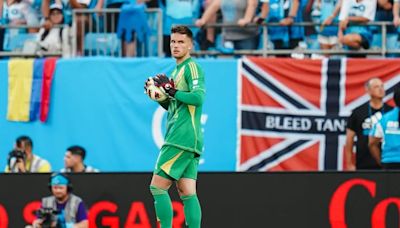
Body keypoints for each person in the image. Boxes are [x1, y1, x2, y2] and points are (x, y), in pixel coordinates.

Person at [145, 25, 205, 228]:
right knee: (187, 191)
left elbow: (197, 98)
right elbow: (174, 105)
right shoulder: (176, 70)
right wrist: (161, 99)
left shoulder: (192, 67)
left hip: (181, 136)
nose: (176, 45)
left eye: (181, 42)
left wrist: (171, 90)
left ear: (190, 45)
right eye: (173, 41)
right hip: (187, 138)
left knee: (157, 188)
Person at [344, 78, 393, 170]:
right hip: (364, 162)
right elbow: (349, 139)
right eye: (376, 87)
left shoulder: (391, 112)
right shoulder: (358, 112)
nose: (381, 89)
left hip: (387, 163)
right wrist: (349, 163)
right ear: (368, 90)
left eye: (382, 86)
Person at [369, 87, 400, 169]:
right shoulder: (384, 119)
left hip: (389, 163)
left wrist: (382, 162)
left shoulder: (385, 119)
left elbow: (372, 143)